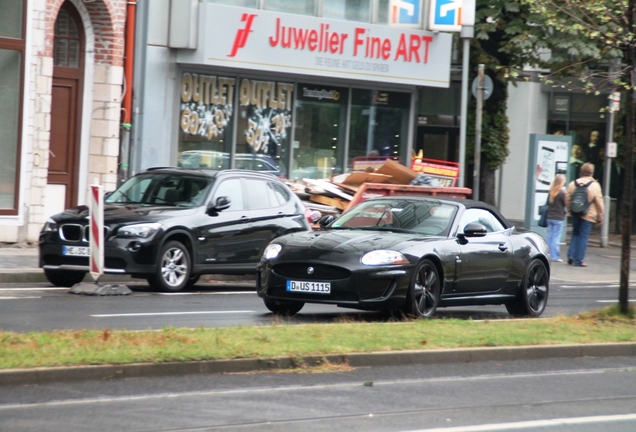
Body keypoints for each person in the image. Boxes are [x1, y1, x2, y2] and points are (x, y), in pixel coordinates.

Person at [565, 163, 604, 267]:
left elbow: (567, 199)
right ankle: (579, 260)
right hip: (588, 215)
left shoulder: (573, 184)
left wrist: (570, 210)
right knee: (583, 237)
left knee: (575, 233)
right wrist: (600, 217)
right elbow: (599, 203)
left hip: (575, 213)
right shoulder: (595, 185)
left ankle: (571, 255)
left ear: (581, 172)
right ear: (592, 173)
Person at [546, 174, 567, 262]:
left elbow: (547, 203)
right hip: (558, 218)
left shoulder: (551, 192)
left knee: (549, 237)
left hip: (549, 217)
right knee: (555, 238)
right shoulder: (562, 193)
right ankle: (555, 256)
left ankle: (547, 254)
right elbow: (566, 204)